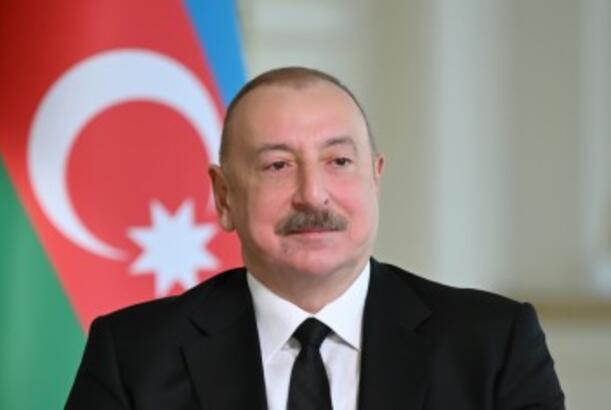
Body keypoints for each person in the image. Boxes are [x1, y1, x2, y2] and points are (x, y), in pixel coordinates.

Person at [66, 67, 565, 410]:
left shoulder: (493, 344)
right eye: (277, 165)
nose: (312, 194)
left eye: (339, 161)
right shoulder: (134, 356)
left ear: (375, 178)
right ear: (224, 196)